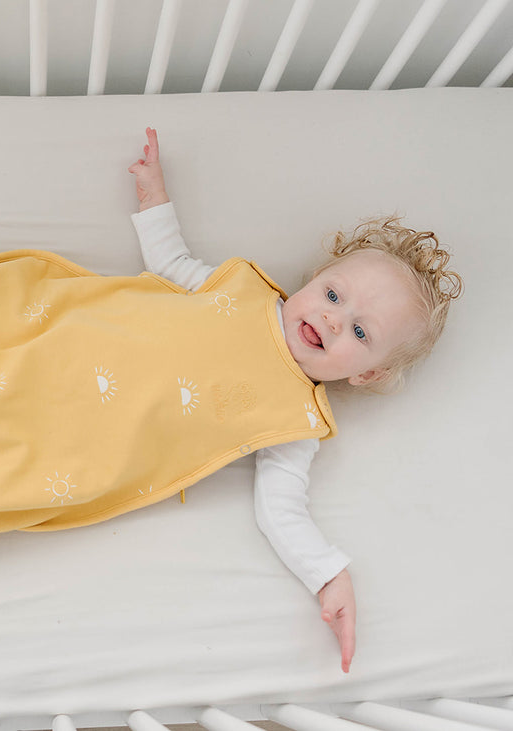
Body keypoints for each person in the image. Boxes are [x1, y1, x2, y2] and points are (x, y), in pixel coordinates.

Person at [128, 127, 463, 674]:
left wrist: (328, 575)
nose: (332, 319)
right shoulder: (242, 291)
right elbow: (171, 264)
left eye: (359, 332)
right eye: (333, 295)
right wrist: (153, 196)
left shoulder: (300, 418)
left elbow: (280, 507)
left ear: (367, 373)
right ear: (313, 281)